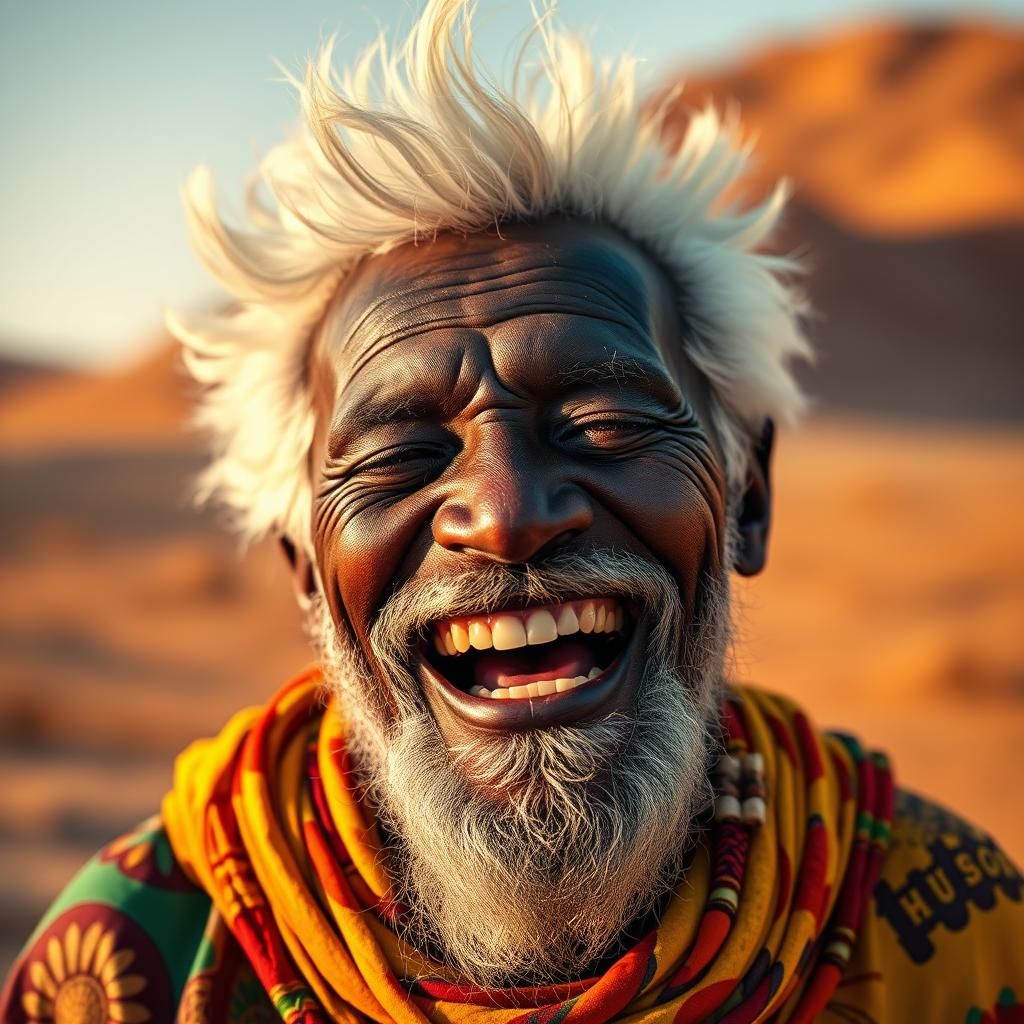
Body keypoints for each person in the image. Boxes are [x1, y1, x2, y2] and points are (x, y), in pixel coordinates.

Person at [3, 1, 1021, 1021]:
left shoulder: (949, 934)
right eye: (400, 453)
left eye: (605, 421)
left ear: (746, 496)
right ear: (306, 569)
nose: (504, 514)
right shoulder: (131, 964)